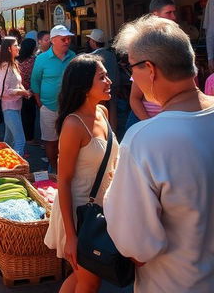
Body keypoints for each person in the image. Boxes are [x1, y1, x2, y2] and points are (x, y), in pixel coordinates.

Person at [104, 15, 214, 293]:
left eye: (131, 68)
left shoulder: (145, 140)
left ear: (149, 69)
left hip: (176, 283)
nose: (131, 77)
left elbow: (136, 245)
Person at [44, 55, 117, 293]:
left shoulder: (102, 112)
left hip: (100, 212)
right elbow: (63, 181)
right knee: (89, 282)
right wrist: (71, 236)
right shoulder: (73, 124)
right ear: (84, 85)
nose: (109, 81)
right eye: (102, 77)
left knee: (82, 280)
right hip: (78, 214)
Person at [126, 0, 178, 131]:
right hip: (146, 123)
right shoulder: (145, 50)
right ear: (155, 15)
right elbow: (135, 98)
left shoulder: (177, 45)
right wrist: (150, 125)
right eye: (168, 13)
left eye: (174, 12)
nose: (173, 17)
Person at [31, 24, 76, 172]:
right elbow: (35, 81)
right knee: (50, 141)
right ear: (53, 40)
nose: (67, 41)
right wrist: (39, 102)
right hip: (49, 106)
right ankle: (54, 169)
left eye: (68, 38)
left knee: (69, 140)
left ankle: (67, 168)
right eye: (63, 39)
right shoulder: (42, 59)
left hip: (71, 107)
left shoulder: (73, 57)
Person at [0, 36, 30, 157]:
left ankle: (3, 166)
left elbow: (17, 83)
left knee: (8, 142)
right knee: (20, 141)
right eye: (15, 45)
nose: (18, 47)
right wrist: (23, 93)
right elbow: (4, 91)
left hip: (15, 107)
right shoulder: (5, 66)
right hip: (9, 108)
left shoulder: (13, 64)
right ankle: (16, 169)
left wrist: (24, 91)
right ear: (9, 49)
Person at [86, 28, 119, 130]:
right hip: (114, 85)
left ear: (93, 42)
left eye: (90, 40)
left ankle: (104, 132)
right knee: (113, 109)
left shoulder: (92, 57)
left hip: (100, 88)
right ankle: (113, 133)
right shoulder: (111, 55)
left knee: (101, 110)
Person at [17, 37, 38, 143]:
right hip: (30, 91)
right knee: (30, 115)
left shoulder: (17, 60)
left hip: (18, 91)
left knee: (21, 115)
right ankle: (29, 138)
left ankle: (23, 136)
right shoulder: (34, 60)